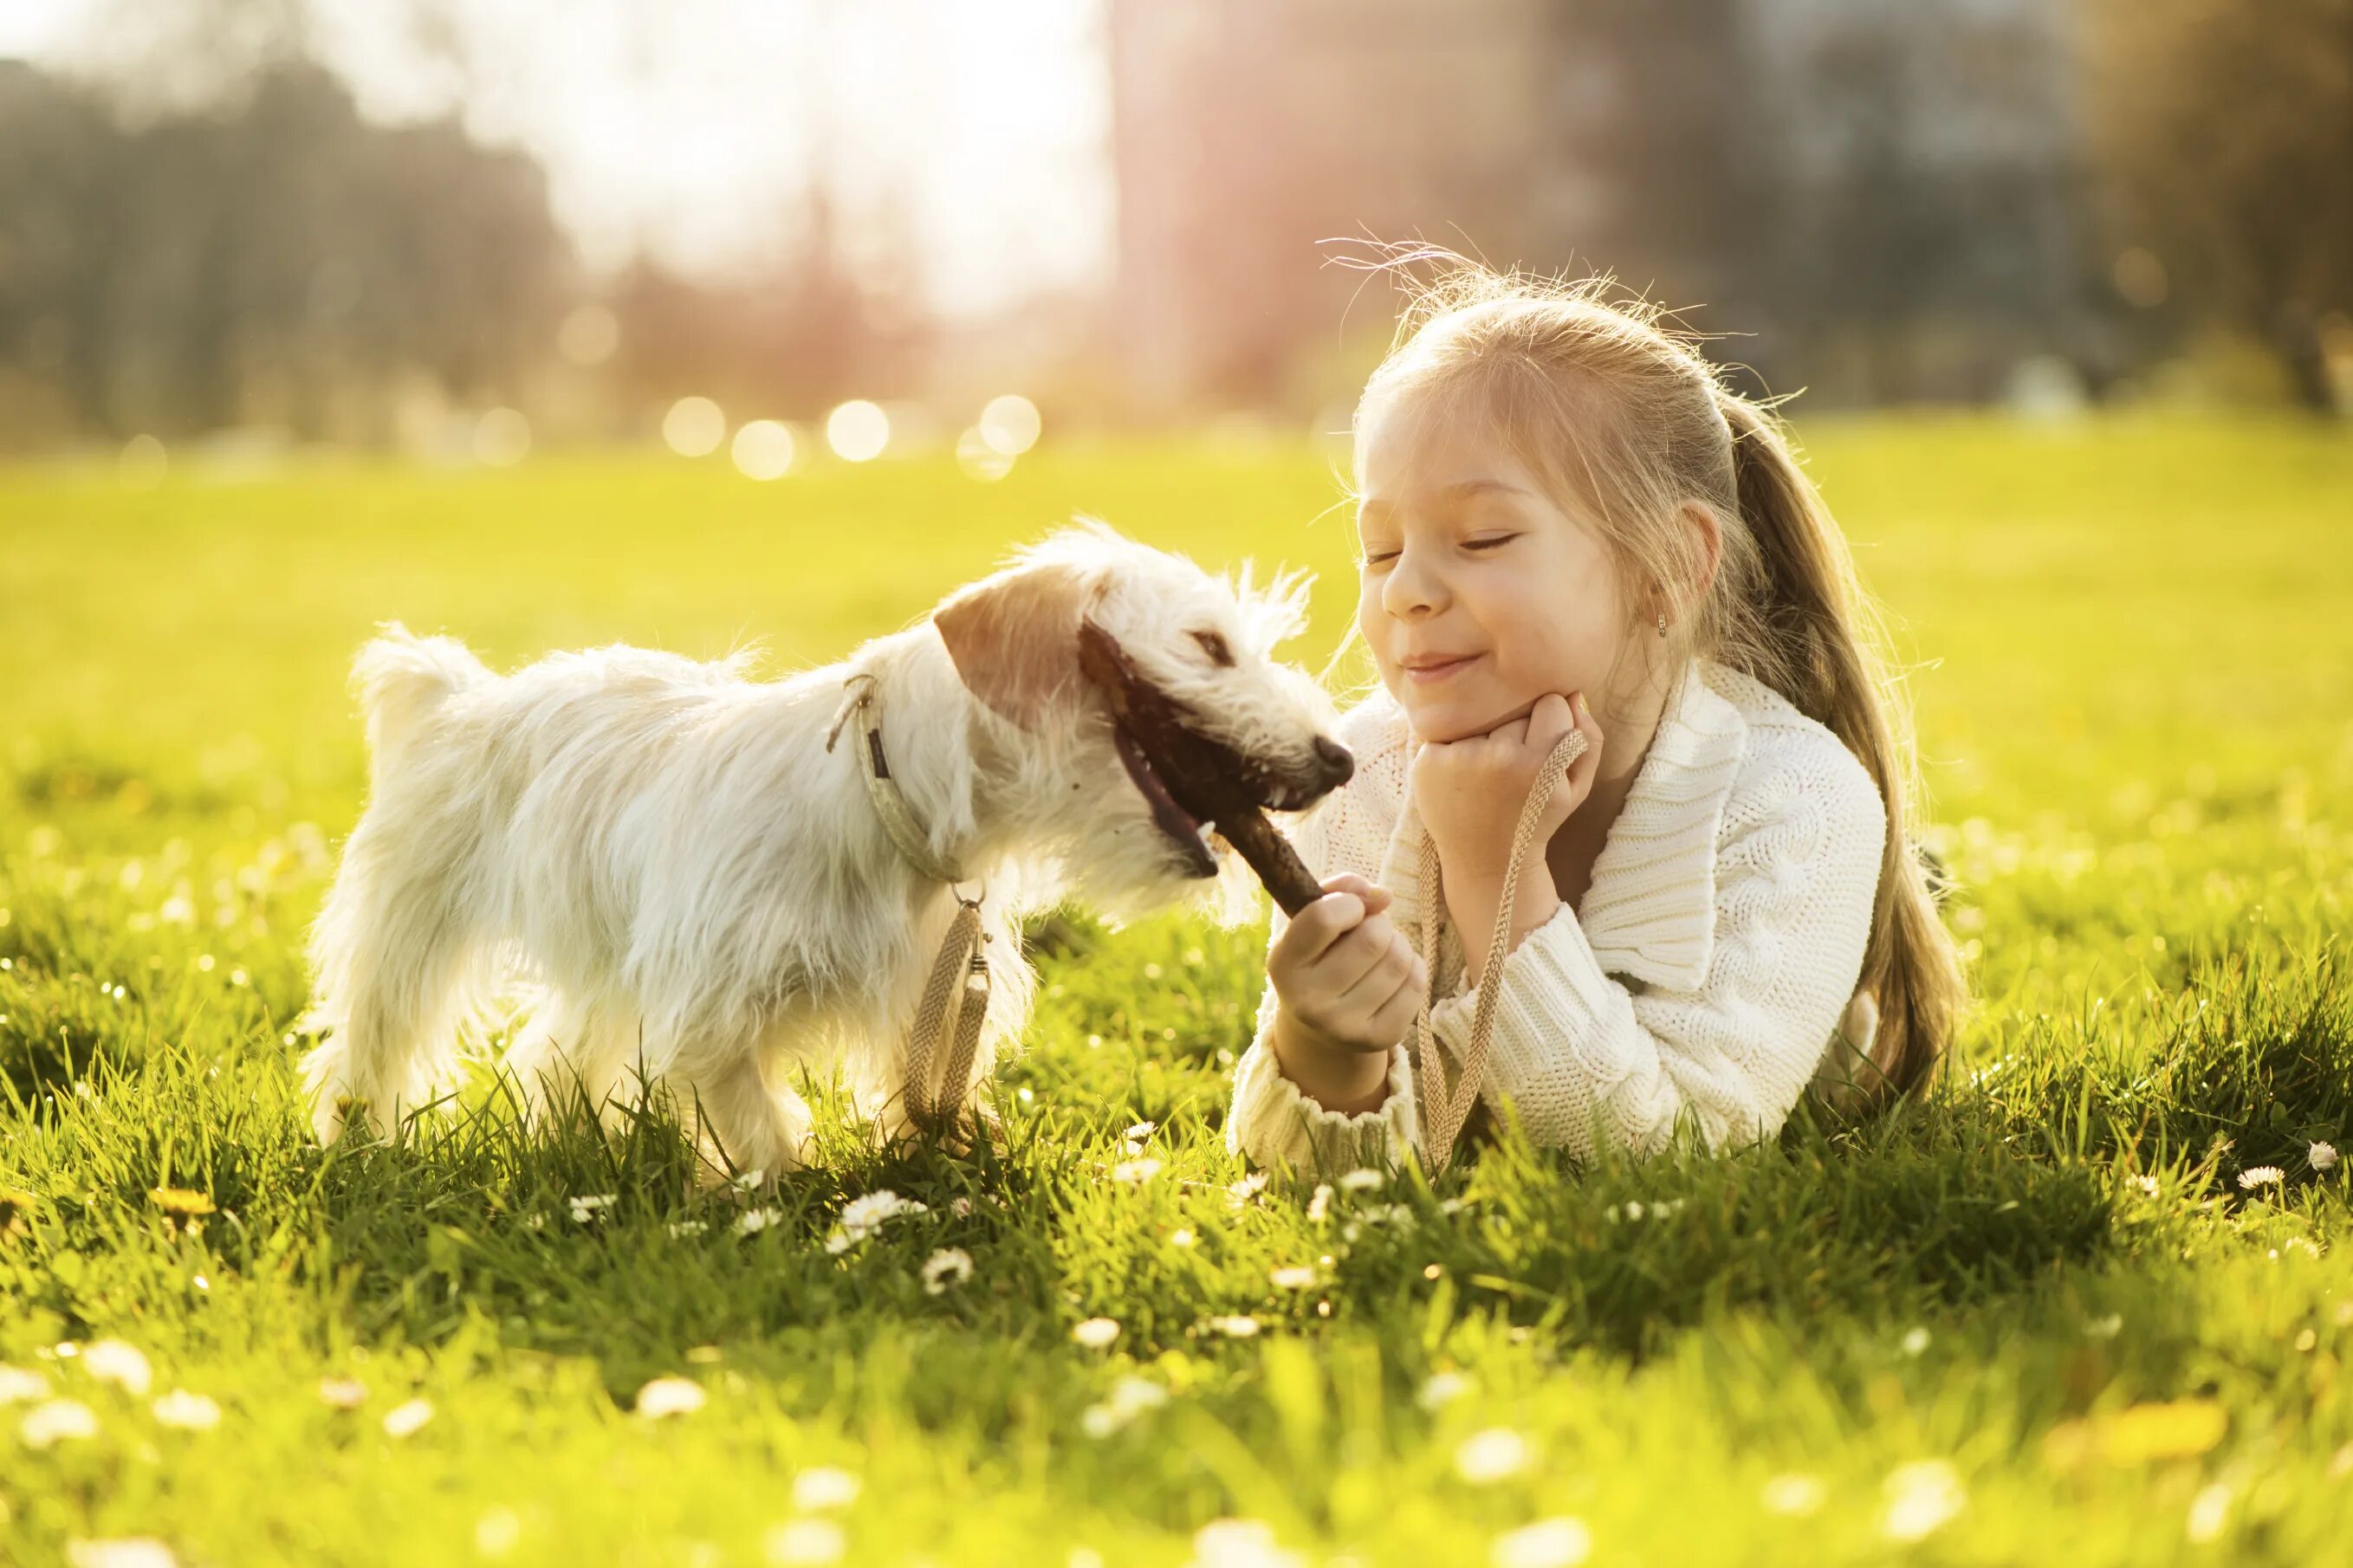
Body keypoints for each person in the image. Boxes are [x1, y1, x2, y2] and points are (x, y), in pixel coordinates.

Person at [1225, 256, 1969, 1176]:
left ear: (1668, 565)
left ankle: (1911, 888)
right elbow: (1305, 1181)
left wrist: (1498, 877)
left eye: (1483, 537)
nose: (1408, 590)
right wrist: (1325, 1047)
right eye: (1379, 551)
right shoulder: (1360, 774)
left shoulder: (1797, 801)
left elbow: (1671, 1159)